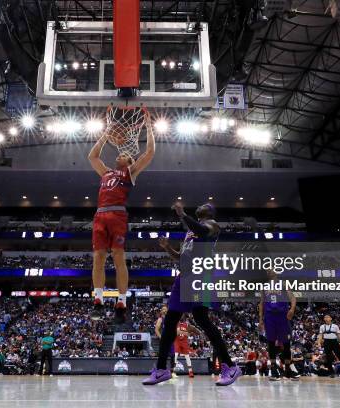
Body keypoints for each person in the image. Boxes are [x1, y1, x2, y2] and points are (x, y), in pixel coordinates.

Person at [143, 202, 241, 386]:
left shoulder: (212, 225)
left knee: (202, 319)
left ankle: (230, 366)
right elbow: (180, 256)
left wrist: (182, 214)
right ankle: (162, 369)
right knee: (170, 321)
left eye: (206, 204)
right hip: (184, 277)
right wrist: (167, 248)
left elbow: (203, 231)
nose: (202, 204)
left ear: (211, 212)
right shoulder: (189, 233)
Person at [88, 109, 155, 323]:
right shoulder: (106, 172)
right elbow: (92, 156)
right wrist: (106, 133)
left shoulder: (130, 173)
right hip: (100, 215)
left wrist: (149, 127)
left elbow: (150, 153)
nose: (120, 153)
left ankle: (122, 301)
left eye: (125, 154)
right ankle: (98, 299)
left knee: (118, 256)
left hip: (117, 214)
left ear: (129, 160)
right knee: (98, 257)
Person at [258, 268, 299, 381]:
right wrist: (260, 319)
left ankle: (287, 370)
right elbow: (261, 303)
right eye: (267, 271)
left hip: (282, 316)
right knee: (271, 343)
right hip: (269, 317)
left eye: (270, 270)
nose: (268, 272)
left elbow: (293, 298)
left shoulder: (284, 284)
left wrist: (292, 309)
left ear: (276, 273)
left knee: (286, 344)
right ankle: (274, 370)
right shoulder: (264, 286)